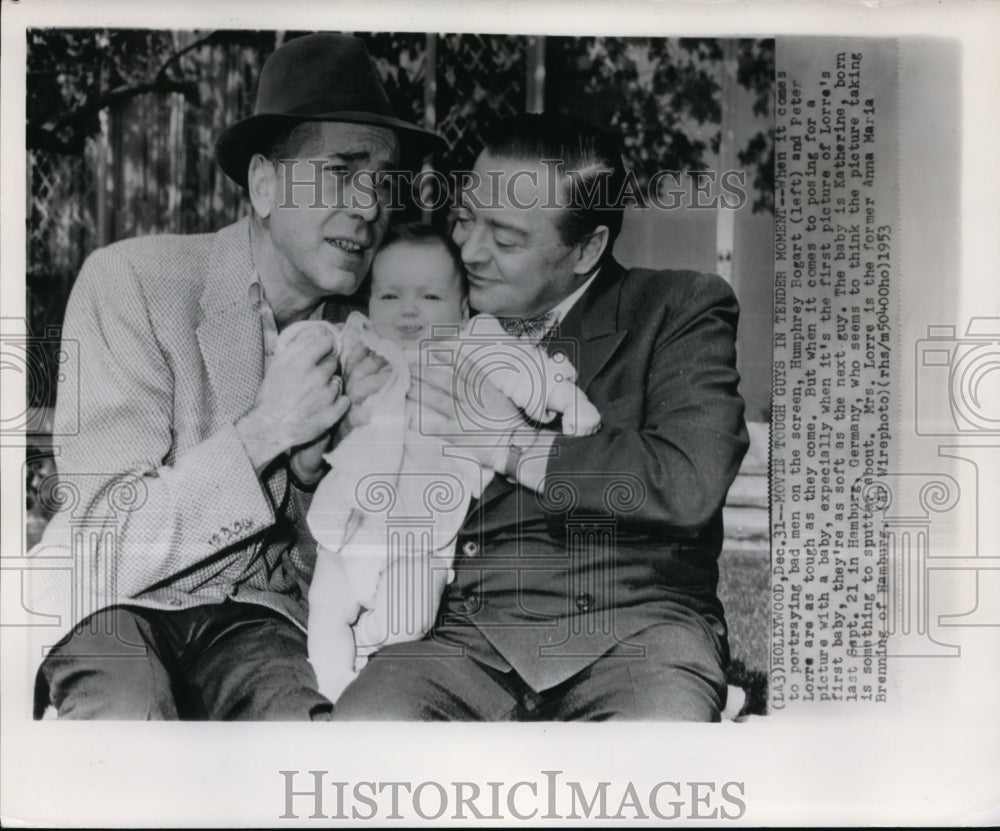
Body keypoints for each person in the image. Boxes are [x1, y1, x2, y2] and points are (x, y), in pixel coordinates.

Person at [27, 33, 443, 720]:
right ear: (264, 184)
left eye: (384, 181)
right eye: (342, 172)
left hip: (255, 626)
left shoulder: (366, 338)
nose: (369, 207)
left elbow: (342, 574)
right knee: (127, 729)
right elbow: (105, 542)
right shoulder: (133, 279)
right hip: (114, 605)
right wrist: (264, 431)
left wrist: (315, 473)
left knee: (308, 755)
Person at [332, 113, 750, 721]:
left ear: (587, 250)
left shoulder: (677, 308)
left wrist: (510, 443)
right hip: (463, 639)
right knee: (359, 743)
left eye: (504, 240)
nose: (470, 252)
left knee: (653, 771)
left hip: (638, 637)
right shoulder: (433, 309)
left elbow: (687, 482)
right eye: (466, 219)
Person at [291, 224, 601, 701]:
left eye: (430, 297)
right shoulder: (359, 344)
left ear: (462, 309)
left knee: (408, 618)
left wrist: (569, 401)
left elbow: (530, 372)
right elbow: (307, 350)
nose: (409, 310)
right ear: (369, 307)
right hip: (351, 523)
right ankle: (334, 693)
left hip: (424, 532)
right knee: (326, 607)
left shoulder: (474, 345)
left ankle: (364, 656)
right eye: (390, 296)